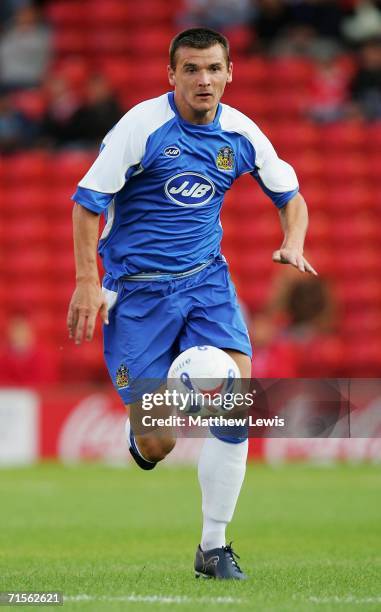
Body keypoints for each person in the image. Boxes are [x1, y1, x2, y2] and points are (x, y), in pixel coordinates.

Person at [67, 28, 316, 580]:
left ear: (230, 73)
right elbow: (88, 205)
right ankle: (166, 408)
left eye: (212, 69)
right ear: (171, 75)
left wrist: (293, 240)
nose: (203, 80)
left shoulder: (242, 132)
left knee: (237, 401)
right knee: (158, 441)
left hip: (206, 284)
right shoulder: (141, 127)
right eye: (191, 70)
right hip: (137, 294)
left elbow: (291, 196)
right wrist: (88, 279)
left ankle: (214, 548)